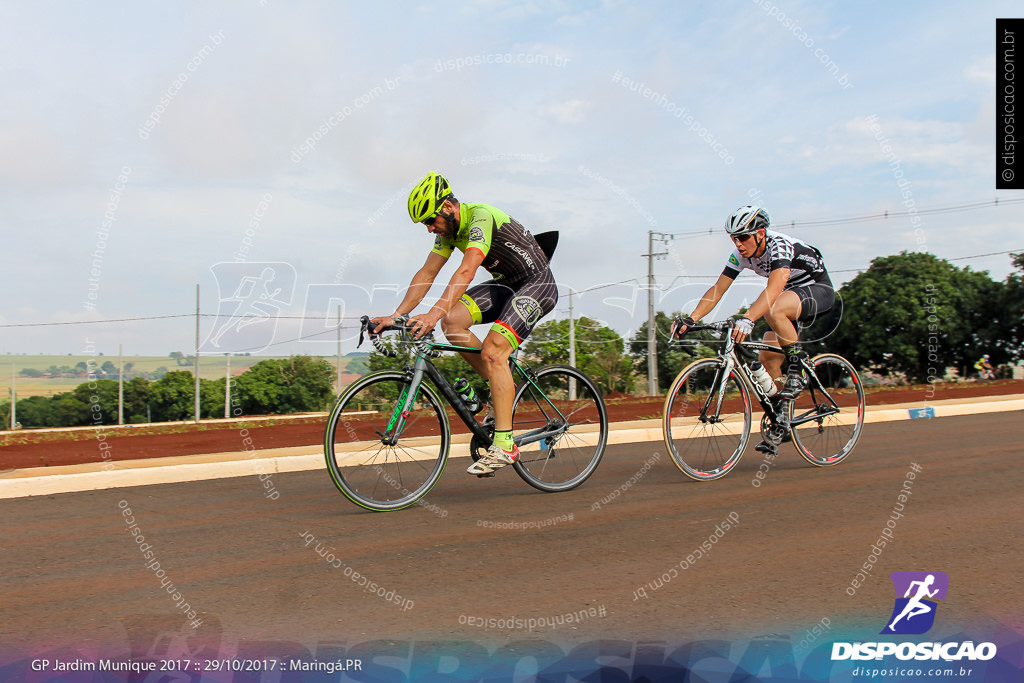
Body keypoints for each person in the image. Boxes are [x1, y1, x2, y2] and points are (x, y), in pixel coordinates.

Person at [371, 172, 558, 475]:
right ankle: (499, 386)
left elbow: (466, 271)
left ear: (447, 207)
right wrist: (398, 314)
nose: (430, 229)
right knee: (453, 320)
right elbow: (427, 273)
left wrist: (430, 315)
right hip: (508, 285)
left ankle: (506, 446)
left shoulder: (480, 217)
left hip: (537, 285)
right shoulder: (447, 233)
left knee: (494, 351)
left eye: (431, 221)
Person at [674, 205, 836, 451]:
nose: (737, 243)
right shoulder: (740, 255)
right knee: (768, 360)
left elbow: (774, 288)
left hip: (817, 289)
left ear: (760, 233)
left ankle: (796, 372)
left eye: (742, 237)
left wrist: (748, 319)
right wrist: (692, 319)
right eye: (733, 238)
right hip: (789, 297)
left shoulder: (778, 246)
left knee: (774, 308)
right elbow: (718, 289)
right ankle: (782, 420)